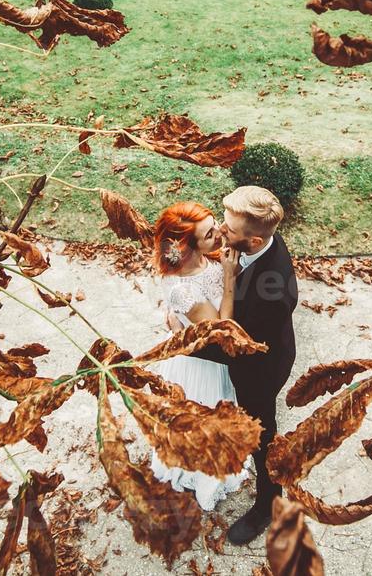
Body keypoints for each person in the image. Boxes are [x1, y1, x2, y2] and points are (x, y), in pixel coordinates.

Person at [191, 186, 298, 546]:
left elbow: (239, 349)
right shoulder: (259, 241)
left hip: (261, 370)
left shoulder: (272, 294)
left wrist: (186, 346)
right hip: (260, 340)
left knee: (262, 435)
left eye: (229, 231)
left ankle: (269, 502)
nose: (222, 232)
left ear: (252, 242)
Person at [149, 201, 250, 511]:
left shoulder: (207, 258)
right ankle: (205, 473)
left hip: (204, 346)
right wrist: (230, 278)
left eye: (215, 224)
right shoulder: (183, 290)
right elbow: (221, 329)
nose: (219, 232)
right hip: (204, 364)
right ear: (187, 247)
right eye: (209, 234)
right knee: (207, 418)